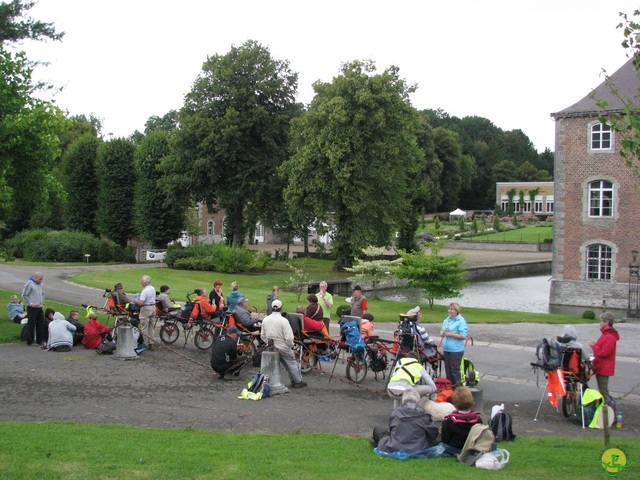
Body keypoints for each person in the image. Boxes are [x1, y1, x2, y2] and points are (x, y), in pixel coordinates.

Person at [420, 386, 483, 458]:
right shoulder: (478, 419)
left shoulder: (449, 421)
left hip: (453, 449)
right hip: (471, 449)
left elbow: (445, 440)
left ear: (455, 403)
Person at [371, 389, 439, 454]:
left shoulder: (395, 413)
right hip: (419, 448)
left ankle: (376, 443)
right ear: (417, 401)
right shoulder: (423, 415)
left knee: (379, 430)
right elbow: (433, 434)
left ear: (403, 401)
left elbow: (391, 431)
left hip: (394, 447)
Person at [261, 299, 307, 388]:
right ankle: (297, 380)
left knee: (287, 364)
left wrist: (268, 342)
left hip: (272, 346)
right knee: (292, 363)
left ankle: (294, 380)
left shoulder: (266, 319)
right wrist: (290, 345)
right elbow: (289, 337)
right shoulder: (283, 321)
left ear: (271, 307)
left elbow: (262, 335)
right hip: (283, 346)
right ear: (281, 308)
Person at [589, 311, 619, 398]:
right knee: (602, 389)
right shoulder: (606, 334)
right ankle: (605, 408)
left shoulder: (609, 337)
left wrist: (594, 346)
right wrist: (596, 345)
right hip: (601, 365)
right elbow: (602, 348)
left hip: (604, 367)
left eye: (601, 321)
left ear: (607, 322)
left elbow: (604, 352)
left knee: (603, 391)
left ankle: (607, 409)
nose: (600, 322)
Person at [440, 302, 468, 386]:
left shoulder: (461, 321)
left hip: (456, 350)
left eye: (452, 309)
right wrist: (444, 333)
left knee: (455, 371)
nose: (450, 311)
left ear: (456, 311)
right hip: (446, 349)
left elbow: (463, 335)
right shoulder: (446, 320)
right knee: (448, 371)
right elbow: (441, 333)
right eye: (449, 309)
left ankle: (458, 390)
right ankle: (450, 390)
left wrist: (451, 334)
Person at [21, 272, 46, 346]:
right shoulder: (30, 284)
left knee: (41, 324)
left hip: (39, 307)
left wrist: (42, 303)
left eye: (41, 279)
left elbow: (42, 294)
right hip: (32, 307)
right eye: (39, 279)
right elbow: (24, 295)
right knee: (31, 324)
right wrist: (30, 303)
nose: (40, 281)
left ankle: (40, 340)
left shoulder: (41, 284)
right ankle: (30, 340)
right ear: (35, 277)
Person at [134, 275, 156, 350]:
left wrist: (135, 300)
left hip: (146, 308)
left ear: (145, 283)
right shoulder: (152, 288)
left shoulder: (145, 291)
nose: (141, 283)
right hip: (153, 307)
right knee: (151, 327)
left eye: (142, 282)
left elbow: (141, 303)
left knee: (144, 327)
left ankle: (145, 343)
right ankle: (151, 343)